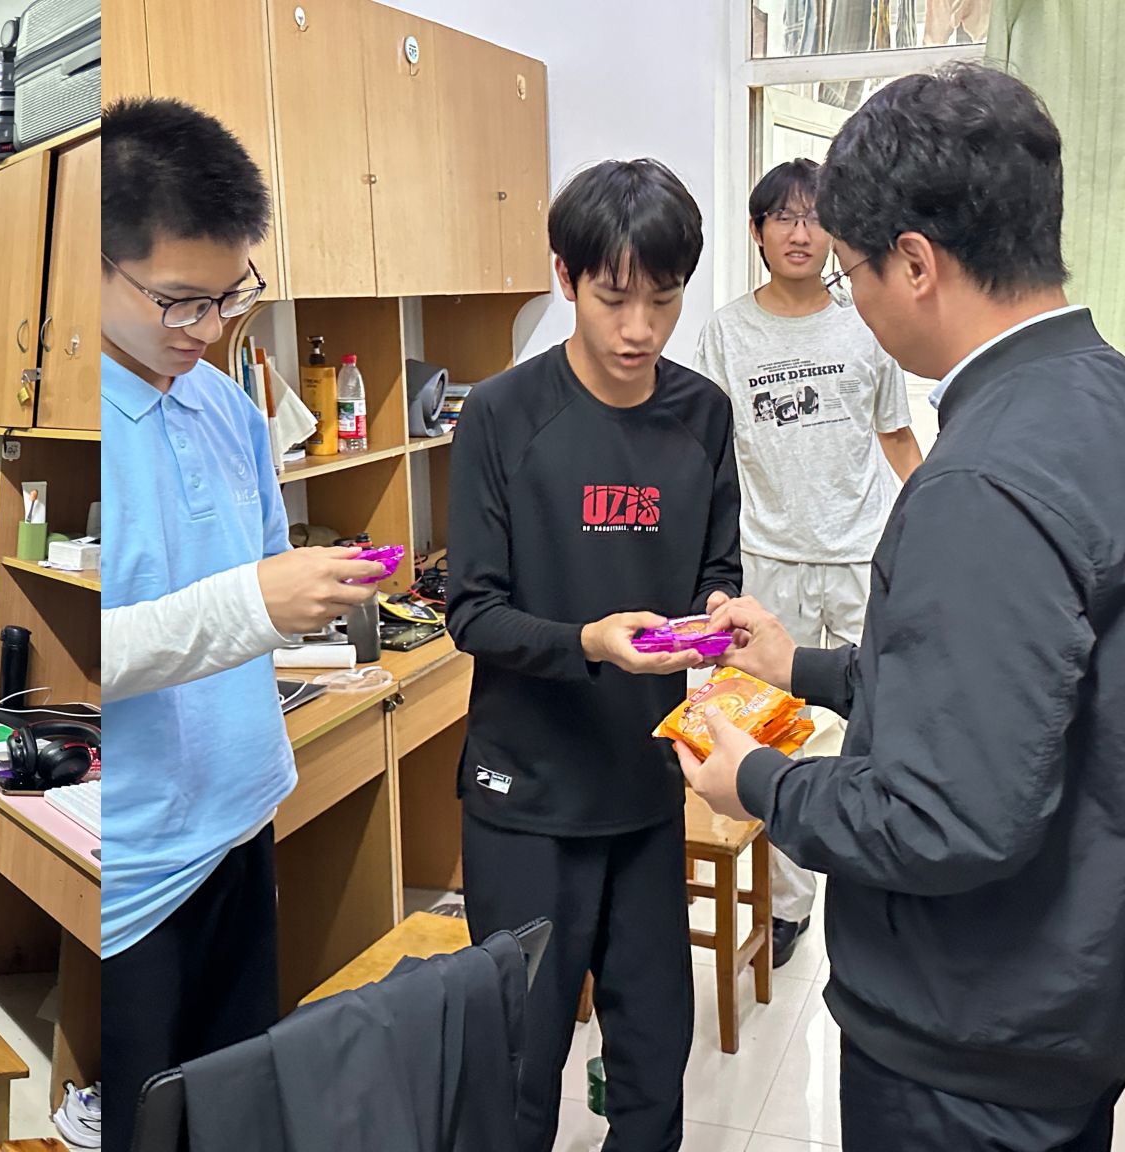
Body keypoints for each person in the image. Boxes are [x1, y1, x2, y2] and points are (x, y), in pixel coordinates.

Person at [682, 63, 1125, 1151]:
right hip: (1065, 994)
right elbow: (1014, 685)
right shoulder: (1096, 394)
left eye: (851, 271)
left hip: (967, 1039)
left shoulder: (978, 480)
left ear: (915, 264)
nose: (854, 303)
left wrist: (759, 781)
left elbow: (944, 816)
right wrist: (803, 669)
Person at [97, 96, 383, 1150]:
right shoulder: (77, 426)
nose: (208, 329)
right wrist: (256, 602)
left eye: (228, 296)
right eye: (178, 301)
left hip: (240, 815)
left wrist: (308, 597)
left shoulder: (224, 405)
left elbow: (255, 582)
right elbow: (88, 651)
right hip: (129, 869)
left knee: (230, 1116)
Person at [447, 158, 738, 1151]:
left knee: (654, 1063)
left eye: (663, 299)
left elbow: (716, 568)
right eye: (614, 298)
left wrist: (716, 618)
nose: (639, 329)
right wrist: (588, 642)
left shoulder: (702, 414)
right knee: (517, 1072)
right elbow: (471, 612)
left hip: (644, 788)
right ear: (565, 278)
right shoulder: (500, 415)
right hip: (524, 799)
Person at [691, 158, 924, 966]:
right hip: (766, 561)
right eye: (783, 217)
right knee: (770, 736)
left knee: (876, 727)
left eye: (815, 217)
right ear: (756, 232)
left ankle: (876, 887)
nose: (800, 232)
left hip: (860, 556)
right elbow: (705, 457)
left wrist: (937, 526)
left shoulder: (867, 324)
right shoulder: (725, 332)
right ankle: (788, 908)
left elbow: (897, 436)